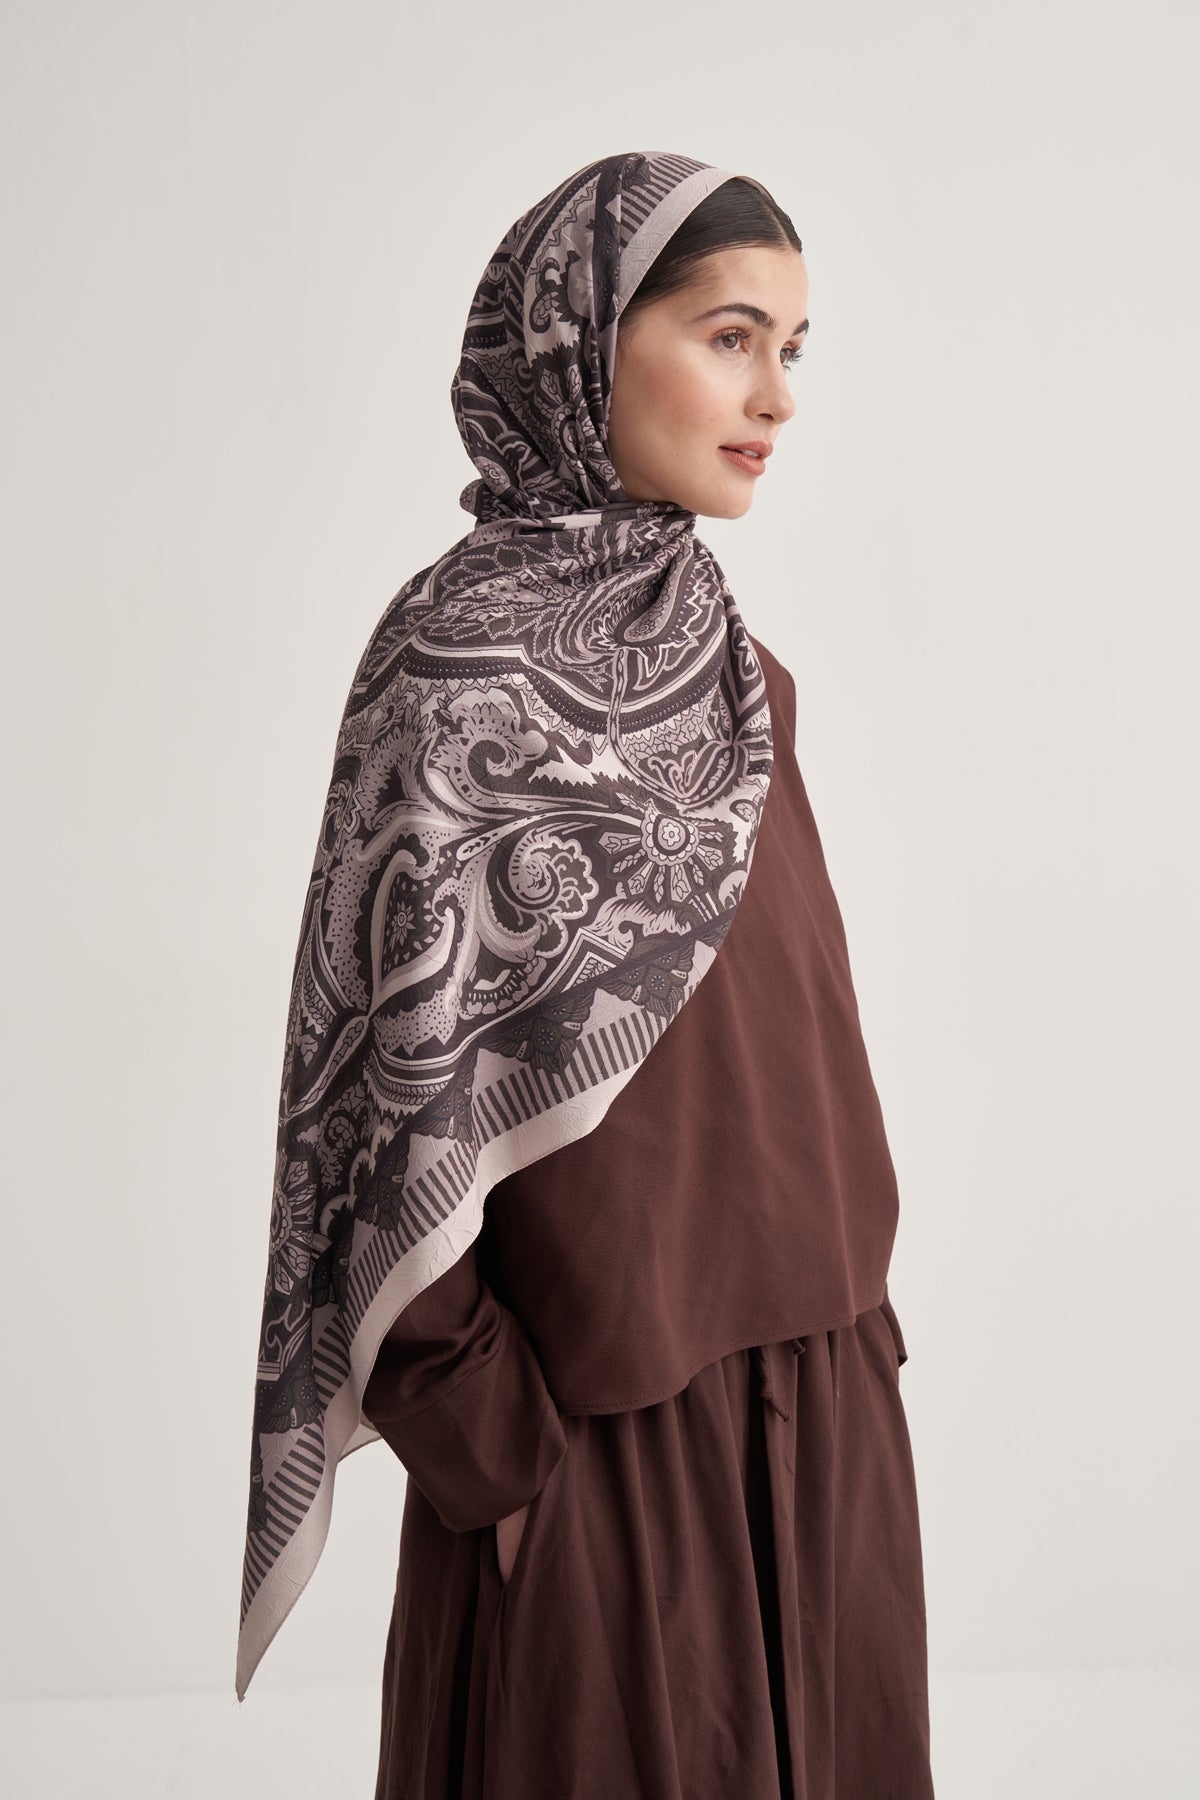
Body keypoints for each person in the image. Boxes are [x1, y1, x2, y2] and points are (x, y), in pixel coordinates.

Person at [236, 151, 935, 1800]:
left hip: (820, 1388)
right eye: (729, 337)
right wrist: (486, 1443)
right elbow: (381, 1100)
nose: (775, 397)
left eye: (792, 350)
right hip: (598, 1442)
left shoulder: (738, 671)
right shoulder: (456, 676)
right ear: (581, 345)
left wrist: (859, 1322)